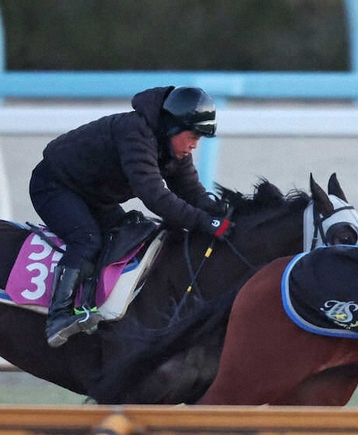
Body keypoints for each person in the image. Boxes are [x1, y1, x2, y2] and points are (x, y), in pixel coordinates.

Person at [29, 85, 233, 348]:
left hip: (92, 196)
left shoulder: (173, 147)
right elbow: (155, 196)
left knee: (131, 233)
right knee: (87, 238)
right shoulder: (134, 133)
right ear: (172, 126)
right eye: (193, 135)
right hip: (54, 186)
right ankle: (58, 317)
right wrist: (205, 222)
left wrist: (222, 213)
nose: (195, 144)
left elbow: (192, 192)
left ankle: (94, 307)